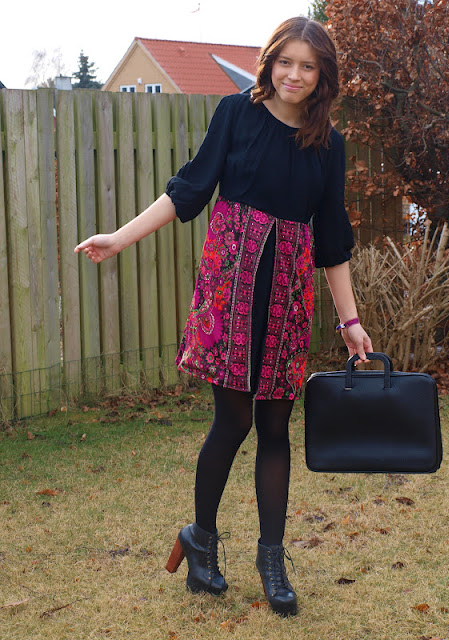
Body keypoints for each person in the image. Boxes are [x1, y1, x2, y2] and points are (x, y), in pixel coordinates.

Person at [75, 16, 373, 617]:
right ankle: (201, 540)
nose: (294, 75)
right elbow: (188, 190)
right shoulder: (237, 114)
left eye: (307, 66)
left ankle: (271, 560)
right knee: (232, 423)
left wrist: (350, 322)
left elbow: (332, 239)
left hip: (286, 295)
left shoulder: (329, 143)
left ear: (323, 75)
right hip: (230, 288)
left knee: (275, 428)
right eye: (285, 61)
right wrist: (119, 238)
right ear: (270, 62)